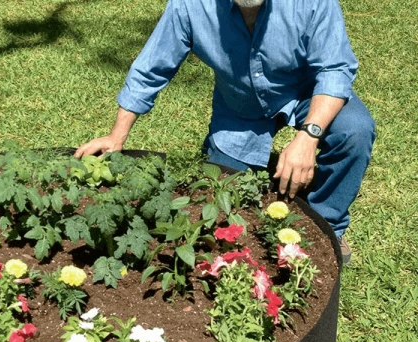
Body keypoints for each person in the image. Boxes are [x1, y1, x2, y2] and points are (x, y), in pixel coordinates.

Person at [75, 0, 376, 264]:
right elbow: (152, 67)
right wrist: (117, 136)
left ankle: (327, 225)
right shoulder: (190, 5)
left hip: (308, 92)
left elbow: (335, 69)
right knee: (221, 204)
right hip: (239, 104)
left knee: (355, 131)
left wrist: (309, 136)